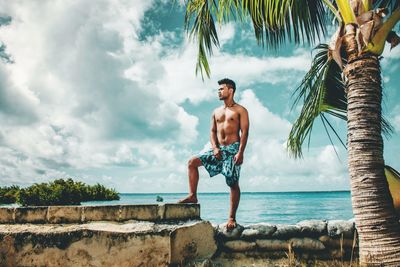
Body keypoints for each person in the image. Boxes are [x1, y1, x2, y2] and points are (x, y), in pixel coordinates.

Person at [179, 78, 249, 230]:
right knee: (192, 162)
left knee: (232, 182)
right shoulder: (216, 112)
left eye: (221, 89)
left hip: (232, 150)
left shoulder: (240, 110)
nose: (218, 91)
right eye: (218, 89)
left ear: (230, 91)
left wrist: (240, 152)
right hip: (218, 150)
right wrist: (214, 147)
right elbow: (212, 131)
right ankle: (192, 195)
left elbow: (245, 132)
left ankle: (231, 217)